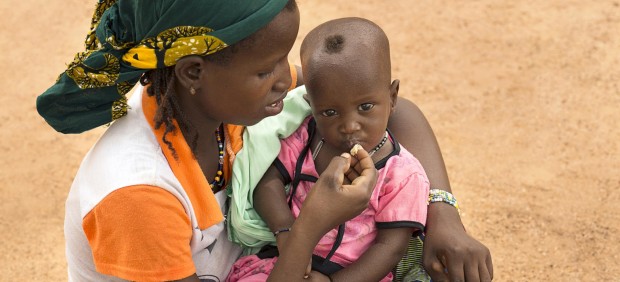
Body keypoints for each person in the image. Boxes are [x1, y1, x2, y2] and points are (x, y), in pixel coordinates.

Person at [35, 0, 492, 281]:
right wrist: (308, 226)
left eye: (283, 61)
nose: (286, 81)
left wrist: (442, 211)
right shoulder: (137, 194)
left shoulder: (222, 102)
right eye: (266, 68)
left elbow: (400, 111)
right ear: (194, 71)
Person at [226, 18, 430, 282]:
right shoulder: (306, 137)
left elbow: (390, 248)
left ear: (392, 97)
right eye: (330, 112)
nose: (349, 125)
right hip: (284, 260)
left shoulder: (402, 174)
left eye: (366, 107)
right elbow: (268, 184)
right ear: (311, 105)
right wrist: (286, 233)